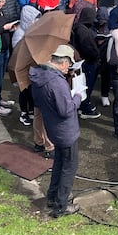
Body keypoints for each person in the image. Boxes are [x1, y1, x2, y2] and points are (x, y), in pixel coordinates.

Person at [30, 44, 83, 218]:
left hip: (53, 128)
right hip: (66, 131)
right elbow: (65, 110)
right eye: (69, 64)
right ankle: (61, 206)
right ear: (64, 62)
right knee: (69, 167)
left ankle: (52, 197)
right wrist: (77, 97)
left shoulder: (39, 75)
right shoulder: (57, 82)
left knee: (59, 162)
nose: (69, 68)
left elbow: (40, 102)